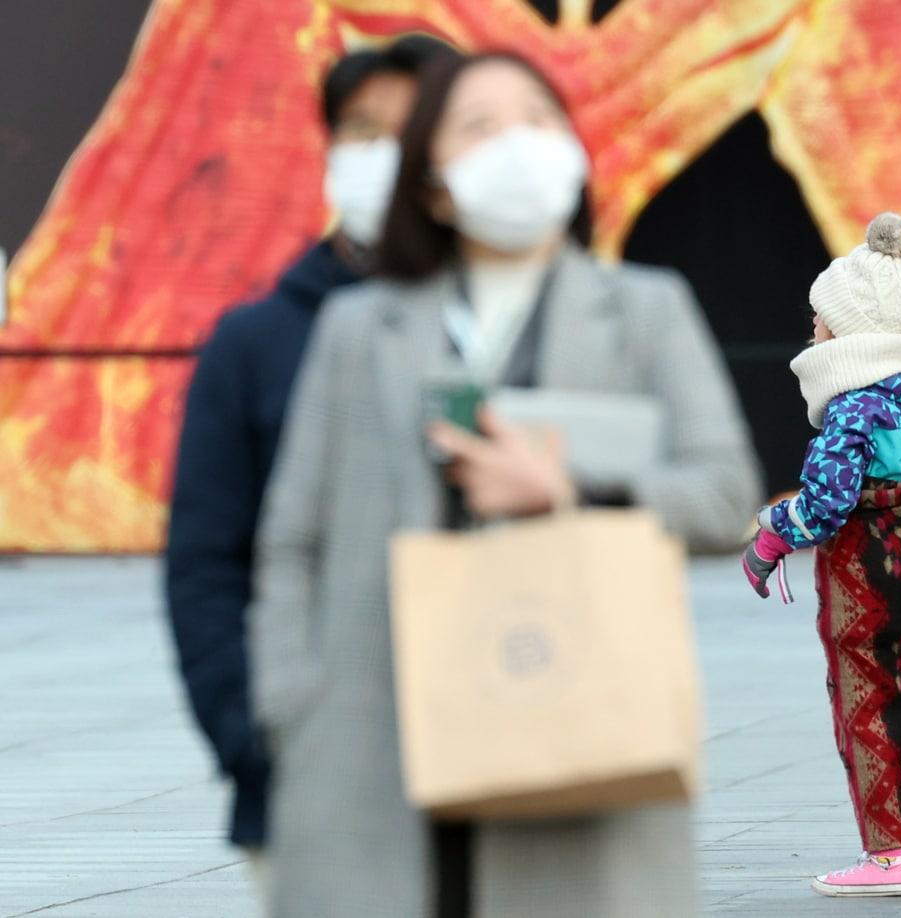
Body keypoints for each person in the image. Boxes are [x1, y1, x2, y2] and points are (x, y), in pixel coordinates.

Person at [250, 49, 761, 917]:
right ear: (433, 184)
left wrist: (576, 488)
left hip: (576, 732)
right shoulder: (355, 327)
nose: (516, 144)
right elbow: (292, 537)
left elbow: (723, 494)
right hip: (372, 749)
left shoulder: (643, 309)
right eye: (479, 127)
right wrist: (293, 703)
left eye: (537, 118)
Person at [163, 34, 447, 886]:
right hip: (317, 780)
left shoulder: (511, 319)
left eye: (408, 132)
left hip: (507, 771)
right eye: (360, 130)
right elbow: (206, 564)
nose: (381, 156)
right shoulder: (257, 343)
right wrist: (252, 737)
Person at [741, 213, 901, 898]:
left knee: (870, 707)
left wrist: (770, 534)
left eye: (818, 319)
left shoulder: (850, 410)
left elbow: (827, 502)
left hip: (869, 591)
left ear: (843, 332)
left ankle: (882, 861)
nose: (811, 330)